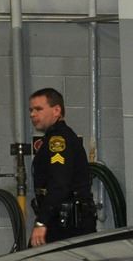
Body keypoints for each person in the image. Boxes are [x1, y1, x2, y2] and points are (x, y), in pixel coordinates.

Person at [27, 87, 96, 246]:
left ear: (56, 110)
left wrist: (41, 222)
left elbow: (59, 183)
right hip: (63, 220)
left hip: (66, 224)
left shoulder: (58, 140)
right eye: (31, 110)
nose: (32, 114)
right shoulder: (56, 137)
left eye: (38, 109)